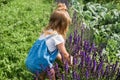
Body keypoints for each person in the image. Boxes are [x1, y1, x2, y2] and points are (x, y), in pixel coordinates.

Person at [25, 3, 73, 80]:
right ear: (63, 26)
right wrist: (70, 62)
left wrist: (62, 61)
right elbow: (64, 54)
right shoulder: (58, 37)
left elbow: (55, 53)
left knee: (41, 76)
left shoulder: (46, 33)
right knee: (51, 73)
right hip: (41, 64)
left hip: (30, 62)